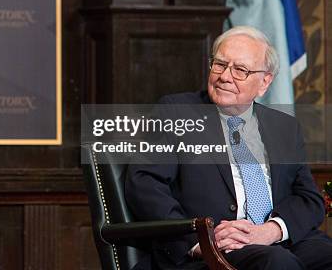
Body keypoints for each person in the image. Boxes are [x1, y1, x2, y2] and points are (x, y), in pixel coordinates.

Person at [125, 26, 332, 270]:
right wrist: (198, 241)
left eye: (240, 70)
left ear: (264, 82)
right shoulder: (177, 111)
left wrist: (272, 230)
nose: (224, 76)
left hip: (274, 240)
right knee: (277, 262)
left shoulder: (283, 127)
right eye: (220, 64)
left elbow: (308, 197)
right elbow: (145, 183)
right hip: (214, 250)